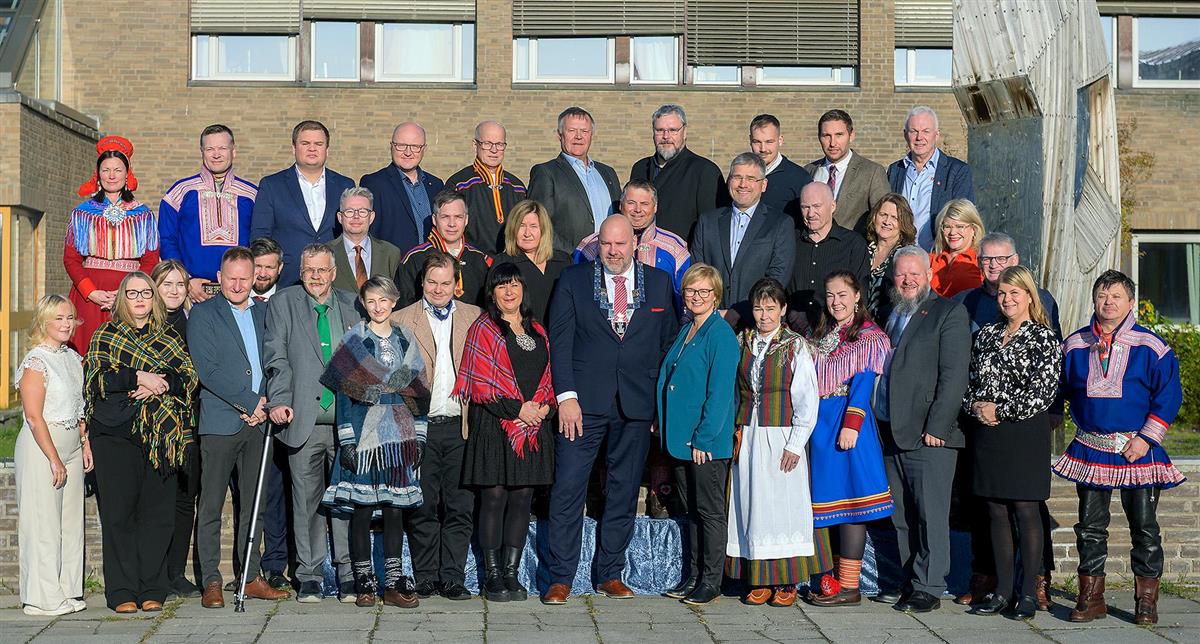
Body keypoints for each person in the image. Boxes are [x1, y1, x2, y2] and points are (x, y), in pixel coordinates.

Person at [541, 215, 679, 605]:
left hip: (636, 404)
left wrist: (659, 405)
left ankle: (610, 574)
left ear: (634, 244)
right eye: (606, 244)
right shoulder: (573, 281)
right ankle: (561, 577)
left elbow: (667, 344)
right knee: (568, 486)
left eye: (620, 244)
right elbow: (560, 342)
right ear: (597, 244)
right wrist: (566, 397)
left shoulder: (659, 283)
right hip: (582, 404)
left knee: (623, 490)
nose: (613, 251)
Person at [1053, 270, 1186, 626]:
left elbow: (1169, 395)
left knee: (1144, 527)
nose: (1108, 302)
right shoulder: (1075, 345)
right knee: (1090, 527)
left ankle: (1146, 602)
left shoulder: (1151, 346)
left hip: (1138, 448)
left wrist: (1145, 439)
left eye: (1116, 296)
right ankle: (1091, 597)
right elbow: (1059, 389)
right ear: (1094, 300)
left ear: (1130, 302)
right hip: (1091, 447)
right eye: (1102, 295)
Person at [952, 231, 1062, 610]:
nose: (1007, 299)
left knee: (1025, 511)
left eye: (1015, 293)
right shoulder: (986, 335)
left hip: (1024, 434)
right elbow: (968, 383)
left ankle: (1028, 592)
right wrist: (976, 407)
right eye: (1002, 293)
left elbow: (1042, 392)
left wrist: (1000, 409)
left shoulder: (1043, 338)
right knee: (994, 511)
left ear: (1030, 296)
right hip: (988, 436)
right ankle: (1001, 591)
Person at [84, 271, 197, 613]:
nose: (139, 299)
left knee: (157, 515)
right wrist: (138, 377)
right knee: (119, 514)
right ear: (122, 298)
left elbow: (188, 378)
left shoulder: (170, 337)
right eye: (132, 293)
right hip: (114, 435)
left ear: (154, 299)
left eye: (146, 293)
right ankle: (121, 591)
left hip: (162, 436)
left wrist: (159, 384)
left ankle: (152, 589)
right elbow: (96, 379)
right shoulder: (106, 335)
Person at [187, 247, 290, 609]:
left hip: (259, 423)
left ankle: (249, 574)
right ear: (220, 277)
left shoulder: (265, 312)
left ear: (253, 278)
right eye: (231, 278)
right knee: (212, 504)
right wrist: (249, 402)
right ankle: (211, 581)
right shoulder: (203, 314)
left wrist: (264, 404)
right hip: (220, 422)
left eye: (244, 278)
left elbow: (276, 362)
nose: (237, 284)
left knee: (254, 504)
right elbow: (208, 369)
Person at [872, 246, 971, 613]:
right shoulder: (888, 314)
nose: (908, 280)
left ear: (929, 275)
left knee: (930, 514)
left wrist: (938, 426)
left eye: (915, 273)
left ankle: (929, 586)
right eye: (901, 274)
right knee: (900, 515)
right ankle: (909, 580)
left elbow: (954, 375)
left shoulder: (948, 312)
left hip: (929, 434)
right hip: (890, 430)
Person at [321, 276, 430, 609]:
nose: (378, 307)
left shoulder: (406, 339)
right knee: (363, 509)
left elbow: (419, 391)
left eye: (383, 300)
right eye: (371, 301)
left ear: (394, 301)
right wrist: (347, 441)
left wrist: (420, 435)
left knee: (395, 509)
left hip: (400, 434)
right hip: (363, 434)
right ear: (364, 304)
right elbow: (344, 395)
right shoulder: (354, 341)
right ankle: (364, 581)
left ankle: (393, 582)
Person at [264, 244, 363, 603]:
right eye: (309, 270)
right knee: (306, 502)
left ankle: (348, 573)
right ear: (300, 272)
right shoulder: (284, 303)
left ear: (333, 273)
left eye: (322, 270)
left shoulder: (353, 304)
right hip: (303, 420)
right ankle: (309, 575)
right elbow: (276, 357)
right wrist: (279, 400)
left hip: (346, 423)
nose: (315, 277)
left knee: (345, 500)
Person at [456, 263, 557, 602]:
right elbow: (480, 385)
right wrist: (517, 410)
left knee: (522, 498)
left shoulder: (538, 329)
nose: (509, 291)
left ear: (523, 289)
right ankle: (492, 575)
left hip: (532, 428)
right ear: (492, 292)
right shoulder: (483, 329)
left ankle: (512, 574)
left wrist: (545, 408)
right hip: (494, 425)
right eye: (502, 286)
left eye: (514, 284)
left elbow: (550, 379)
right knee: (495, 497)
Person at [724, 278, 826, 608]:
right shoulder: (743, 341)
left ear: (782, 310)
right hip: (749, 435)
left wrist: (795, 444)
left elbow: (807, 399)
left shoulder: (795, 346)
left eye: (771, 308)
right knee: (753, 503)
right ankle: (759, 578)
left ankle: (786, 580)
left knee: (783, 506)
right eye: (758, 308)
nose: (764, 315)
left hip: (782, 434)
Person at [392, 252, 482, 601]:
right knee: (424, 505)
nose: (439, 289)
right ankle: (426, 576)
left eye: (445, 283)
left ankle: (453, 577)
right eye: (432, 282)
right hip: (421, 425)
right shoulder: (402, 320)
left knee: (459, 505)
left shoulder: (474, 317)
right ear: (422, 282)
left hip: (460, 425)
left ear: (456, 284)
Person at [805, 272, 895, 607]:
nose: (836, 302)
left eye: (842, 295)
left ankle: (849, 586)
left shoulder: (868, 335)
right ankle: (829, 581)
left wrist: (852, 424)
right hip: (821, 423)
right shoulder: (823, 333)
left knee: (852, 505)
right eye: (830, 295)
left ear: (857, 296)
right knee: (829, 505)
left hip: (846, 422)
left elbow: (863, 383)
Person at [657, 265, 740, 605]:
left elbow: (720, 394)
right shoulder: (688, 328)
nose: (696, 297)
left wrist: (704, 438)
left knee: (709, 512)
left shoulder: (720, 335)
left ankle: (711, 580)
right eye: (691, 290)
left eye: (704, 291)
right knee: (691, 510)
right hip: (680, 439)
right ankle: (693, 576)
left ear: (716, 296)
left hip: (705, 443)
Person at [15, 295, 89, 616]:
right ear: (43, 321)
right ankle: (40, 598)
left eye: (70, 317)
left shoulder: (72, 358)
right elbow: (34, 417)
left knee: (71, 522)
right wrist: (53, 458)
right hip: (43, 447)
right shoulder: (36, 361)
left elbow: (79, 407)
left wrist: (85, 442)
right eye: (58, 318)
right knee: (42, 521)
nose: (66, 324)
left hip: (72, 442)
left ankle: (67, 589)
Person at [64, 136, 160, 353]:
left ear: (127, 174)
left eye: (117, 170)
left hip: (129, 294)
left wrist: (128, 291)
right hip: (89, 295)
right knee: (87, 352)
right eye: (106, 170)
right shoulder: (82, 213)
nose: (111, 175)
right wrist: (91, 292)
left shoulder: (143, 214)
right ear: (98, 174)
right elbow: (71, 259)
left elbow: (151, 260)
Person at [250, 120, 355, 287]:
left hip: (334, 278)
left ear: (327, 149)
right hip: (288, 278)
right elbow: (260, 235)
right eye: (305, 143)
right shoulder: (272, 185)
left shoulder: (345, 185)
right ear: (294, 148)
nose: (312, 148)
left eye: (318, 144)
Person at [159, 124, 256, 302]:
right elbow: (166, 240)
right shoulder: (179, 192)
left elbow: (259, 243)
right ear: (202, 152)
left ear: (233, 151)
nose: (216, 154)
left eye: (222, 148)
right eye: (210, 149)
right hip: (191, 293)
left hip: (240, 292)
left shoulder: (252, 194)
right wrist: (185, 280)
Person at [151, 260, 201, 599]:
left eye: (180, 284)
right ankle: (156, 572)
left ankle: (176, 572)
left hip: (191, 422)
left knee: (186, 498)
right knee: (158, 499)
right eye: (166, 284)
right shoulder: (146, 325)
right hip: (155, 424)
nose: (173, 290)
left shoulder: (194, 322)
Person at [691, 153, 795, 311]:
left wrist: (741, 312)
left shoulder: (780, 224)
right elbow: (698, 270)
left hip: (756, 318)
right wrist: (713, 312)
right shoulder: (707, 222)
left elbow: (778, 277)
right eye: (737, 177)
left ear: (763, 185)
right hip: (713, 316)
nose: (743, 184)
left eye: (751, 178)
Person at [528, 106, 621, 254]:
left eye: (584, 131)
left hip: (610, 259)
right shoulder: (546, 173)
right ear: (560, 135)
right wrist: (574, 256)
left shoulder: (608, 173)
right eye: (572, 130)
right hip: (568, 261)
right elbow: (540, 225)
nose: (579, 136)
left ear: (591, 135)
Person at [575, 181, 691, 297]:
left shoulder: (675, 248)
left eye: (644, 203)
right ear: (621, 205)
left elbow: (685, 296)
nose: (637, 209)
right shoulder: (590, 245)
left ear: (655, 207)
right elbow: (576, 288)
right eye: (631, 203)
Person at [629, 104, 727, 239]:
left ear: (684, 132)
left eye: (673, 130)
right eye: (660, 130)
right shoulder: (640, 168)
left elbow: (713, 228)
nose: (666, 136)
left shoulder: (705, 171)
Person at [886, 106, 975, 250]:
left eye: (926, 131)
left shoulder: (957, 171)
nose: (919, 137)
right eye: (914, 131)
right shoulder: (896, 170)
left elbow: (964, 219)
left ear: (936, 135)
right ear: (905, 135)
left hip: (938, 255)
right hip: (900, 255)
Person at [788, 182, 869, 329]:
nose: (810, 214)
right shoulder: (790, 241)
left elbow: (861, 294)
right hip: (793, 330)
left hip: (836, 331)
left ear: (833, 206)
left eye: (817, 206)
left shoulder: (853, 244)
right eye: (805, 207)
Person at [395, 190, 493, 308]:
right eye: (445, 217)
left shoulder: (480, 259)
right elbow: (404, 308)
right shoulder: (414, 259)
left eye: (458, 217)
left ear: (466, 220)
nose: (452, 224)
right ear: (434, 219)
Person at [954, 232, 1062, 337]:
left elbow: (1055, 341)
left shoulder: (1040, 298)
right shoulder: (965, 301)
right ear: (979, 262)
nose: (993, 265)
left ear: (1014, 260)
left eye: (1001, 259)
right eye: (986, 259)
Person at [361, 122, 445, 254]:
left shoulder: (436, 185)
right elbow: (369, 234)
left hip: (433, 262)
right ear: (391, 146)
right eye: (401, 145)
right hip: (394, 263)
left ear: (424, 149)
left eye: (415, 146)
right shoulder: (374, 184)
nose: (408, 152)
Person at [802, 110, 890, 234]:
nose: (832, 143)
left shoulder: (872, 172)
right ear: (819, 137)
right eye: (826, 136)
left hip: (855, 244)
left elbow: (884, 218)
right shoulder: (808, 171)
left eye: (839, 135)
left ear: (851, 135)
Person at [446, 121, 528, 255]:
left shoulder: (517, 186)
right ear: (475, 145)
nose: (494, 150)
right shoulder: (459, 184)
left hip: (510, 262)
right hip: (472, 261)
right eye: (487, 144)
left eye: (499, 144)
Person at [492, 199, 571, 323]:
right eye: (521, 226)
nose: (527, 233)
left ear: (543, 230)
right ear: (513, 229)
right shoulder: (502, 262)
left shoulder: (563, 261)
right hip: (522, 332)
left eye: (533, 226)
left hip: (559, 332)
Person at [329, 187, 404, 292]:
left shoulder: (390, 253)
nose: (356, 216)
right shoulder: (326, 253)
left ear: (371, 217)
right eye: (349, 211)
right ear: (340, 217)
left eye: (362, 211)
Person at [864, 194, 916, 324]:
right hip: (855, 325)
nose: (887, 222)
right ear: (875, 217)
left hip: (886, 326)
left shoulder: (907, 256)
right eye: (883, 215)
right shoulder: (860, 248)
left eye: (894, 218)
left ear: (903, 223)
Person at [749, 114, 812, 219]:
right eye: (757, 142)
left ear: (780, 140)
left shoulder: (799, 178)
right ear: (750, 140)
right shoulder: (740, 175)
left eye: (769, 142)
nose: (763, 149)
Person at [929, 199, 985, 298]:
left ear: (974, 229)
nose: (952, 232)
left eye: (960, 226)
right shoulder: (929, 260)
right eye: (947, 227)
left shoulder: (983, 262)